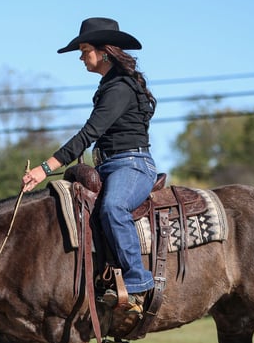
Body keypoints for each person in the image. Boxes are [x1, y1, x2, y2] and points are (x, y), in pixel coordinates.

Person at [22, 17, 158, 315]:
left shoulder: (120, 88)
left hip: (132, 165)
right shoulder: (109, 85)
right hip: (108, 166)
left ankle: (138, 282)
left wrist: (44, 168)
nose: (82, 57)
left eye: (85, 50)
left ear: (105, 51)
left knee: (113, 208)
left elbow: (88, 134)